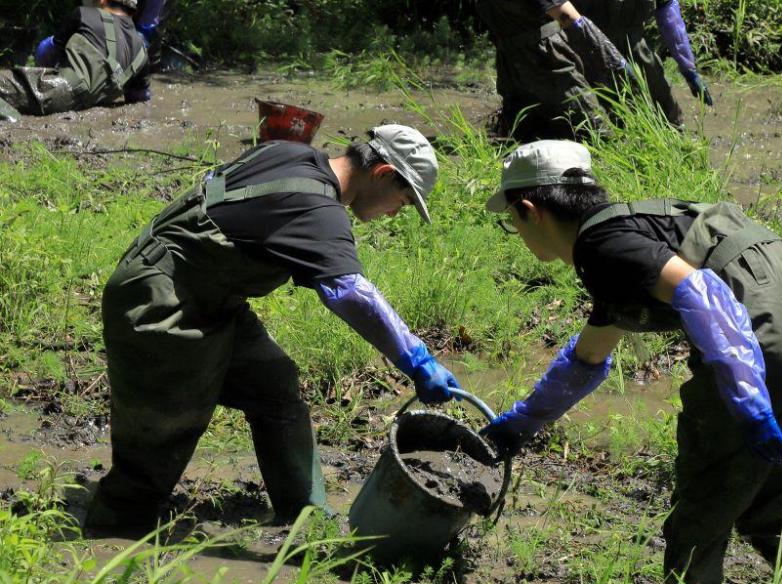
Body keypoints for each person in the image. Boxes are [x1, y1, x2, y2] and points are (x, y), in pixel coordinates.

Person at [481, 140, 782, 584]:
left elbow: (701, 292)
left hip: (765, 348)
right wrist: (521, 423)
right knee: (778, 509)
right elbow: (588, 358)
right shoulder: (633, 234)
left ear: (528, 210)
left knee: (698, 522)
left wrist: (749, 398)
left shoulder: (603, 246)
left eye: (512, 221)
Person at [87, 125, 461, 530]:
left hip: (207, 297)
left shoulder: (292, 154)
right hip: (163, 306)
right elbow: (349, 293)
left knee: (273, 384)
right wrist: (418, 360)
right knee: (155, 448)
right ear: (383, 173)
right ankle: (110, 533)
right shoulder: (320, 212)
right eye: (402, 202)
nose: (393, 213)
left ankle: (307, 520)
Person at [476, 0, 637, 140]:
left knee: (526, 138)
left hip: (512, 69)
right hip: (549, 64)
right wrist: (616, 61)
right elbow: (570, 18)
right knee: (596, 133)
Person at [0, 0, 149, 122]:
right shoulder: (142, 52)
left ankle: (12, 120)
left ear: (103, 1)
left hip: (62, 90)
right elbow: (139, 100)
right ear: (134, 11)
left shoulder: (85, 14)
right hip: (95, 104)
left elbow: (45, 53)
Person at [573, 0, 713, 127]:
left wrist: (688, 69)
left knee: (670, 119)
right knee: (600, 120)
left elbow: (670, 17)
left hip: (639, 52)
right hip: (590, 53)